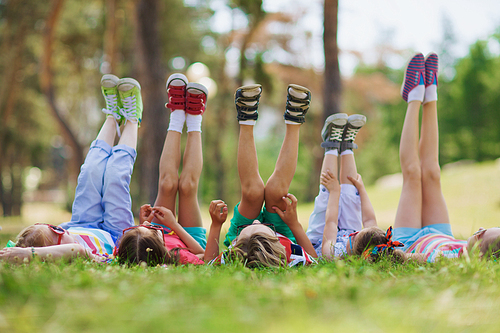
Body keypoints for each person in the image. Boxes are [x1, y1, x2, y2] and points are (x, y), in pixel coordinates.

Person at [0, 74, 143, 263]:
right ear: (57, 249)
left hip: (82, 221)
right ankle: (132, 119)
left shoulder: (68, 231)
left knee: (90, 171)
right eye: (57, 233)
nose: (60, 228)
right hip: (115, 233)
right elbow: (75, 249)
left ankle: (113, 115)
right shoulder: (80, 254)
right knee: (115, 176)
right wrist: (30, 255)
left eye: (54, 227)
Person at [391, 53, 500, 262]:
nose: (478, 229)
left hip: (411, 240)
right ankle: (430, 93)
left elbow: (407, 258)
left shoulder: (449, 259)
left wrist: (396, 254)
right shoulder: (465, 251)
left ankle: (414, 97)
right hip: (441, 234)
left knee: (413, 174)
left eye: (482, 234)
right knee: (432, 173)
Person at [205, 83, 317, 268]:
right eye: (259, 223)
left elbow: (208, 264)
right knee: (277, 192)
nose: (257, 219)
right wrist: (294, 224)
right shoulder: (290, 255)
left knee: (253, 193)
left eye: (254, 222)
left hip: (243, 240)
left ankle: (246, 117)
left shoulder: (234, 257)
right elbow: (315, 261)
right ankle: (295, 119)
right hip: (279, 235)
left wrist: (216, 226)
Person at [116, 73, 208, 266]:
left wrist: (145, 225)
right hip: (188, 241)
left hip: (153, 234)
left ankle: (176, 113)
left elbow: (134, 244)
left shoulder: (131, 249)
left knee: (167, 184)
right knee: (188, 186)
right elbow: (203, 255)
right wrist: (173, 225)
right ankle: (194, 117)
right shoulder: (175, 255)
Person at [306, 113, 384, 260]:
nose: (354, 232)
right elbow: (369, 220)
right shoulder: (366, 241)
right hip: (347, 235)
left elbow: (331, 222)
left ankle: (331, 143)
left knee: (326, 194)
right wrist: (361, 189)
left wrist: (335, 192)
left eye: (354, 234)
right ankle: (346, 145)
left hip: (320, 238)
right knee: (351, 192)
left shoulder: (332, 253)